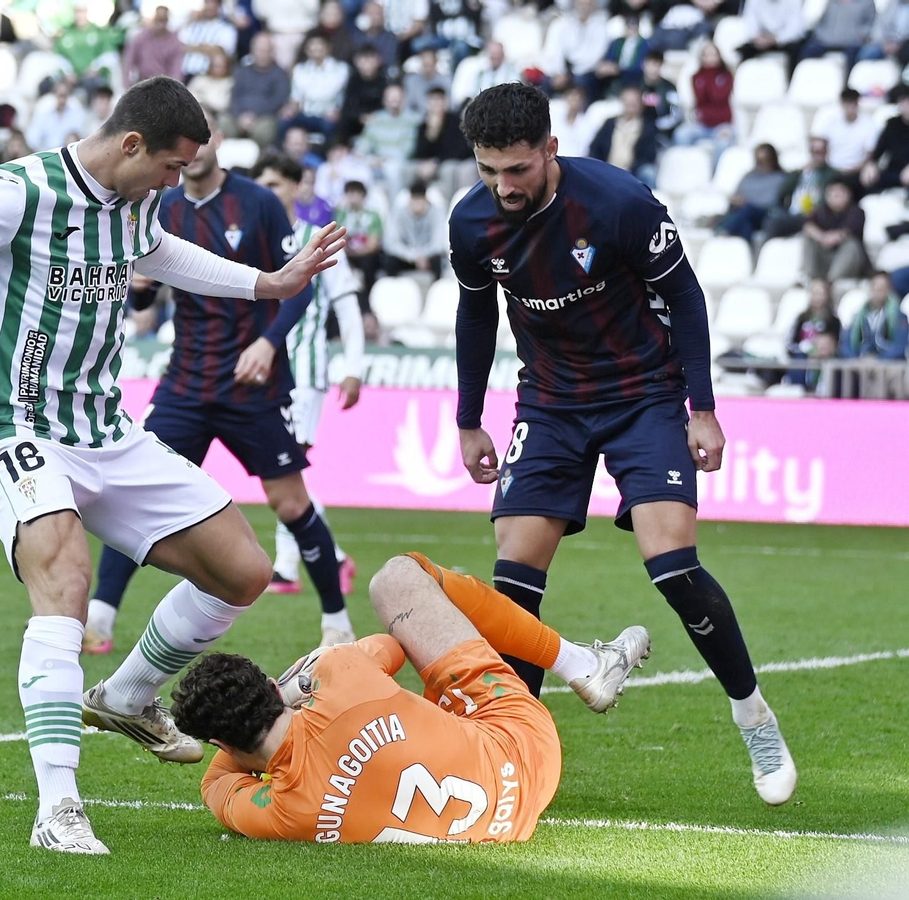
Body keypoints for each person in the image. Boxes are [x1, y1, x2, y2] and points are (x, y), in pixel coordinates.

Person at [0, 77, 347, 854]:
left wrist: (268, 283)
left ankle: (126, 694)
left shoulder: (138, 202)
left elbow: (161, 253)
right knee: (64, 575)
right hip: (15, 425)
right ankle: (58, 808)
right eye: (170, 168)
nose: (175, 184)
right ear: (131, 146)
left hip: (102, 427)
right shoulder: (19, 193)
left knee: (243, 570)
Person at [449, 83, 797, 806]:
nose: (503, 186)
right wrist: (468, 417)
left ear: (550, 147)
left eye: (517, 169)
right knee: (513, 575)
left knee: (671, 564)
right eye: (489, 171)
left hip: (643, 394)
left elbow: (690, 298)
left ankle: (752, 714)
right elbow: (476, 317)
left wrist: (702, 408)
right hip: (547, 403)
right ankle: (520, 760)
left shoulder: (618, 202)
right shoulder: (471, 223)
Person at [78, 134, 351, 660]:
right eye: (178, 143)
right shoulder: (161, 205)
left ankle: (337, 622)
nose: (191, 152)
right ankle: (101, 617)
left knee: (290, 502)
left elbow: (301, 284)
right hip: (186, 382)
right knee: (134, 494)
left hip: (252, 385)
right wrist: (137, 291)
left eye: (198, 139)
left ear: (216, 142)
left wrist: (269, 344)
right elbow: (147, 287)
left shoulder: (259, 203)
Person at [171, 552, 651, 843]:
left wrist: (240, 744)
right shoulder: (341, 676)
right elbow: (391, 648)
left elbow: (219, 782)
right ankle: (579, 663)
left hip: (503, 820)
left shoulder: (280, 811)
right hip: (523, 745)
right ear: (272, 688)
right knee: (398, 579)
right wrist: (308, 678)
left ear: (220, 742)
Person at [252, 156, 366, 609]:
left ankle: (288, 564)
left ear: (298, 187)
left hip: (304, 373)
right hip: (262, 373)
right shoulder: (253, 240)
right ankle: (329, 558)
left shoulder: (317, 243)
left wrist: (353, 365)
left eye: (275, 181)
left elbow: (347, 306)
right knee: (281, 470)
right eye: (260, 181)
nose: (266, 190)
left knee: (286, 468)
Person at [841, 270, 908, 359]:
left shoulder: (898, 317)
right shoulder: (858, 317)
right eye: (875, 287)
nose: (878, 292)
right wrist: (856, 360)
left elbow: (899, 346)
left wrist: (878, 362)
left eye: (882, 288)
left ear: (888, 290)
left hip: (888, 367)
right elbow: (846, 344)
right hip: (860, 365)